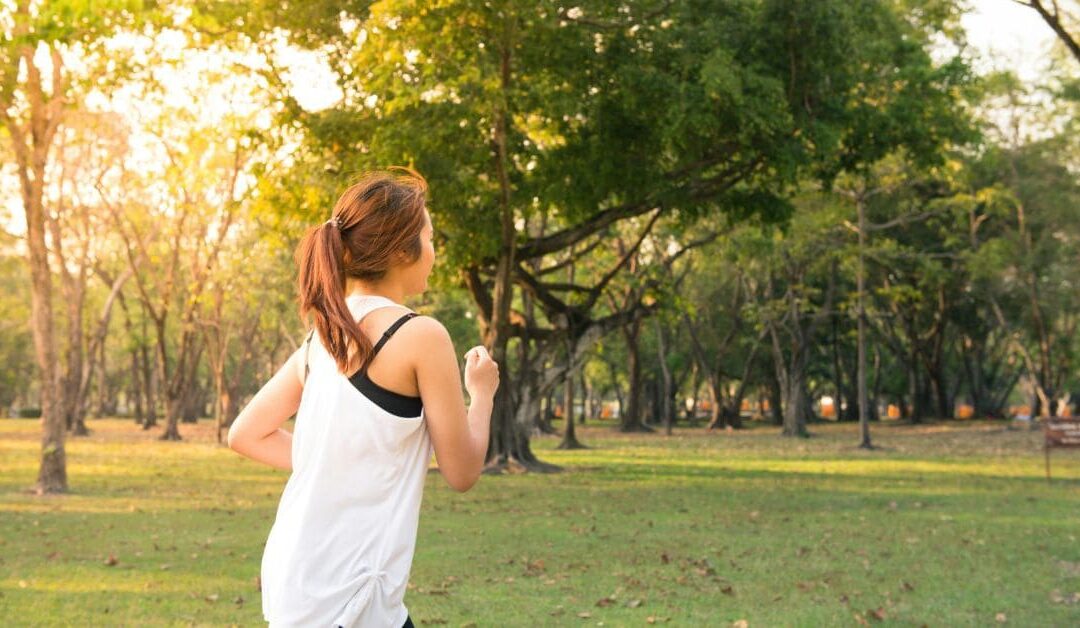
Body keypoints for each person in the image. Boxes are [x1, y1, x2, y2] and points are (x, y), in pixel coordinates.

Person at [227, 168, 499, 628]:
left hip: (297, 576)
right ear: (400, 251)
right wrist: (483, 394)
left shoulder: (322, 338)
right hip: (351, 590)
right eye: (430, 239)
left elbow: (245, 434)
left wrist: (333, 460)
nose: (434, 253)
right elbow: (463, 471)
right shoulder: (420, 335)